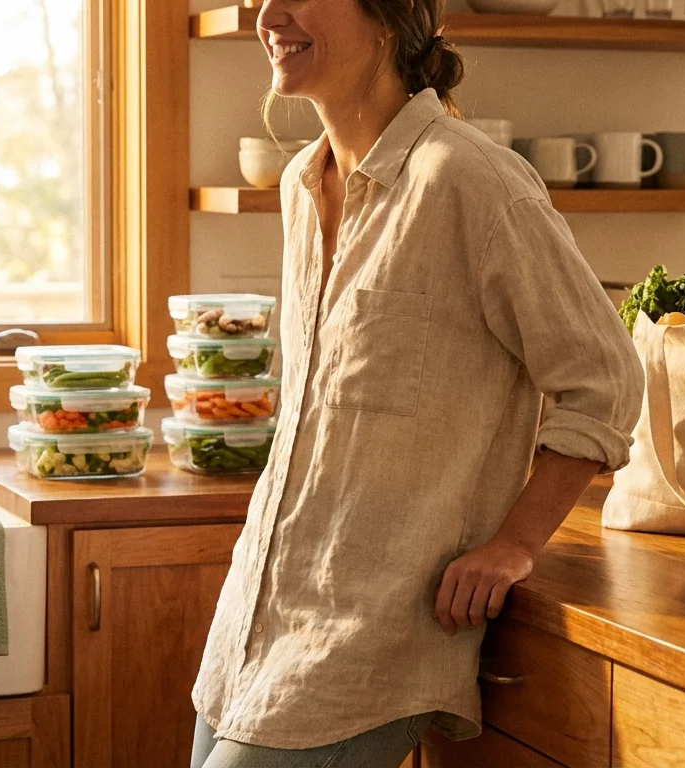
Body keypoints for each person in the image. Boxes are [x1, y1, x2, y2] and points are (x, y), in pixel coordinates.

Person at [190, 0, 645, 765]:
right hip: (249, 629)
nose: (270, 13)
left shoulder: (472, 182)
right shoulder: (304, 183)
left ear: (388, 19)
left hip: (367, 647)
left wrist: (514, 544)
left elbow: (605, 377)